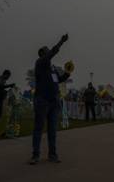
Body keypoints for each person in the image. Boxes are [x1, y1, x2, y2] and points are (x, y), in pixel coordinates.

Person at [30, 34, 71, 165]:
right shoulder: (40, 63)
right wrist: (61, 42)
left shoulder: (52, 69)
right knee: (38, 128)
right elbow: (53, 51)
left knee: (52, 130)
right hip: (42, 100)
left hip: (54, 101)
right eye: (47, 50)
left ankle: (52, 155)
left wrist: (67, 72)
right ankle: (35, 155)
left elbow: (58, 80)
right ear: (42, 54)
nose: (49, 51)